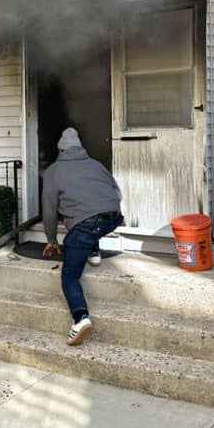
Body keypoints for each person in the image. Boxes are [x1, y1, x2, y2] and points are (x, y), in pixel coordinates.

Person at [42, 127, 123, 346]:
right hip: (113, 217)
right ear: (80, 148)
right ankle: (94, 252)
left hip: (87, 225)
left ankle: (80, 318)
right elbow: (117, 192)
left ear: (60, 150)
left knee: (69, 275)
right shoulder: (96, 164)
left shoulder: (53, 172)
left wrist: (51, 240)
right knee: (87, 219)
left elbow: (49, 212)